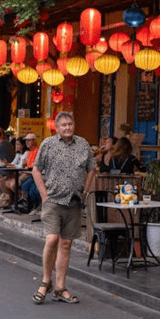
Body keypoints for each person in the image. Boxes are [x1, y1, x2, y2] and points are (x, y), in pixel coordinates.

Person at [31, 111, 97, 305]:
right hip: (53, 201)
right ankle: (45, 282)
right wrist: (44, 195)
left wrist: (85, 191)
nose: (68, 127)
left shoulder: (83, 144)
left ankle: (60, 287)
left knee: (66, 244)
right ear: (57, 128)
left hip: (74, 202)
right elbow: (36, 169)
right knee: (52, 239)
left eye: (70, 124)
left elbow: (92, 167)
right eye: (64, 125)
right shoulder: (48, 144)